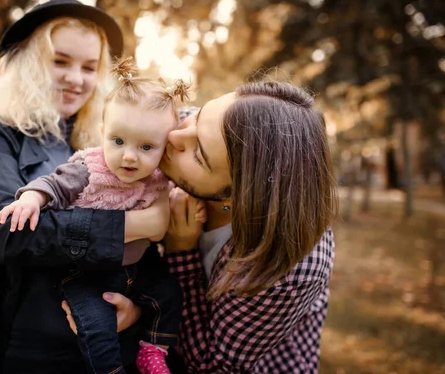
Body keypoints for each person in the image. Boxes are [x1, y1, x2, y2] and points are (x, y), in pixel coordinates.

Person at [0, 0, 171, 374]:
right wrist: (141, 225)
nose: (76, 79)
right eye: (60, 61)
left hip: (101, 338)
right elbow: (3, 233)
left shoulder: (111, 139)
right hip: (25, 340)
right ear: (29, 63)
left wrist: (137, 307)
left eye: (89, 67)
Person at [88, 82, 338, 373]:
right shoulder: (196, 128)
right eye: (198, 116)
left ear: (240, 196)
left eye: (198, 156)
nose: (174, 136)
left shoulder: (291, 267)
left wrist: (180, 252)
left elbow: (211, 364)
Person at [0, 58, 193, 374]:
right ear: (103, 134)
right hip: (88, 272)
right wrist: (31, 198)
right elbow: (53, 184)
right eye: (118, 141)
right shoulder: (89, 168)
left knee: (169, 294)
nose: (129, 155)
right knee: (96, 327)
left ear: (164, 148)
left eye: (146, 146)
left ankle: (153, 349)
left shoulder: (159, 174)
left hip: (139, 267)